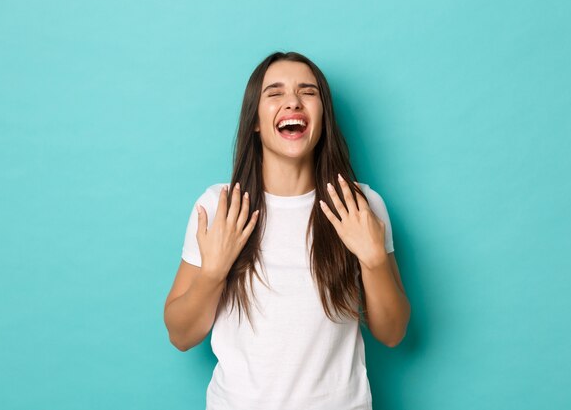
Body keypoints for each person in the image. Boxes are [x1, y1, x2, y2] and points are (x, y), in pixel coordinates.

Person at [164, 51, 410, 410]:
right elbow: (180, 334)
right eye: (275, 93)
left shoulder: (361, 205)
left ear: (323, 116)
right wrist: (213, 273)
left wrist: (373, 261)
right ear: (256, 121)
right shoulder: (219, 207)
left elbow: (392, 332)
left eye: (307, 92)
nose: (293, 101)